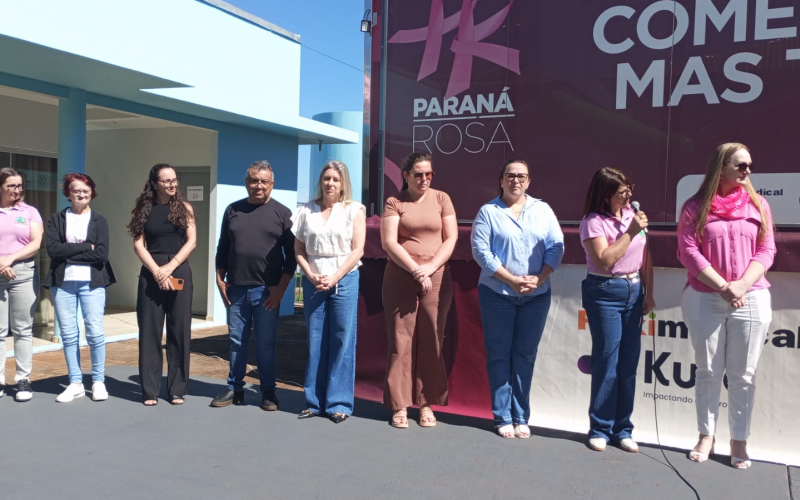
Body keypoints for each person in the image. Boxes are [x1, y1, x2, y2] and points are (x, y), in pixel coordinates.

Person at [678, 143, 775, 469]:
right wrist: (723, 287)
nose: (748, 171)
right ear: (721, 168)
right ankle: (707, 435)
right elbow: (688, 252)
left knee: (742, 376)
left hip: (751, 297)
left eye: (749, 165)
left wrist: (741, 285)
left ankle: (739, 440)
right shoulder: (695, 206)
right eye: (741, 165)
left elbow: (767, 250)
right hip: (706, 297)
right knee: (707, 372)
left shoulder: (758, 204)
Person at [471, 158, 564, 439]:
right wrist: (511, 280)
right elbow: (481, 251)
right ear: (501, 180)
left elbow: (556, 246)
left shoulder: (543, 210)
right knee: (499, 355)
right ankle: (502, 416)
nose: (516, 181)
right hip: (497, 294)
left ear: (529, 181)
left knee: (525, 355)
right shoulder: (488, 212)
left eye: (521, 176)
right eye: (510, 176)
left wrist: (541, 278)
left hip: (536, 295)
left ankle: (521, 416)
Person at [580, 167, 655, 453]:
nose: (629, 195)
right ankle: (600, 427)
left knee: (628, 364)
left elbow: (645, 255)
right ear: (606, 193)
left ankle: (623, 429)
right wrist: (631, 231)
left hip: (633, 290)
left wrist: (650, 293)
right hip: (604, 291)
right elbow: (604, 260)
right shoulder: (593, 222)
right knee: (607, 360)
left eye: (629, 188)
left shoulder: (632, 216)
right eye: (623, 191)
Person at [380, 152, 457, 429]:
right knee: (401, 341)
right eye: (418, 174)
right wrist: (415, 269)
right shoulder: (394, 202)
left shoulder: (442, 199)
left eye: (429, 174)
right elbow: (389, 242)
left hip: (436, 278)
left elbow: (451, 239)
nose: (424, 179)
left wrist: (430, 268)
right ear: (406, 175)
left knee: (431, 339)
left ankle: (426, 403)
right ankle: (399, 405)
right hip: (400, 277)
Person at [212, 161, 296, 411]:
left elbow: (291, 256)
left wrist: (281, 289)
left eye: (264, 181)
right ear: (246, 182)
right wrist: (219, 278)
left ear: (272, 184)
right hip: (236, 289)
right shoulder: (233, 210)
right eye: (253, 180)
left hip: (267, 291)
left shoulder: (282, 213)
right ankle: (234, 388)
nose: (258, 186)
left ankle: (268, 391)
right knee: (236, 341)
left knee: (265, 342)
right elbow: (223, 247)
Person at [292, 160, 366, 423]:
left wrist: (335, 276)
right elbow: (299, 250)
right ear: (320, 182)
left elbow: (358, 249)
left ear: (343, 183)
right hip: (314, 280)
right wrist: (310, 275)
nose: (330, 184)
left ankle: (339, 402)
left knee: (342, 339)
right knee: (315, 340)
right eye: (326, 179)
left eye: (336, 179)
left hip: (344, 278)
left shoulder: (354, 210)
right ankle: (313, 401)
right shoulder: (305, 212)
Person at [128, 164, 196, 406]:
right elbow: (139, 245)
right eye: (166, 181)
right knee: (150, 332)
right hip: (151, 273)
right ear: (155, 183)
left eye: (175, 180)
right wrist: (157, 271)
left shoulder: (185, 208)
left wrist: (170, 267)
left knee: (179, 332)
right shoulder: (143, 210)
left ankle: (177, 388)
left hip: (179, 271)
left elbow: (191, 241)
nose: (172, 184)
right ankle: (150, 390)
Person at [44, 173, 116, 403]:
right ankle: (75, 382)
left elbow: (101, 255)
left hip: (92, 282)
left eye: (85, 190)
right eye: (76, 190)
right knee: (68, 333)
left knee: (95, 332)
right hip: (63, 283)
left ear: (91, 192)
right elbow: (53, 251)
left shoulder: (100, 220)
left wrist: (70, 251)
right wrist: (86, 246)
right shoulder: (57, 219)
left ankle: (98, 381)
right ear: (68, 193)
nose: (81, 194)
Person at [0, 168, 43, 402]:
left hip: (23, 273)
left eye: (20, 186)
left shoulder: (29, 212)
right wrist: (1, 262)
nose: (17, 190)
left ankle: (22, 380)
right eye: (11, 186)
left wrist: (10, 259)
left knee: (22, 329)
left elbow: (36, 243)